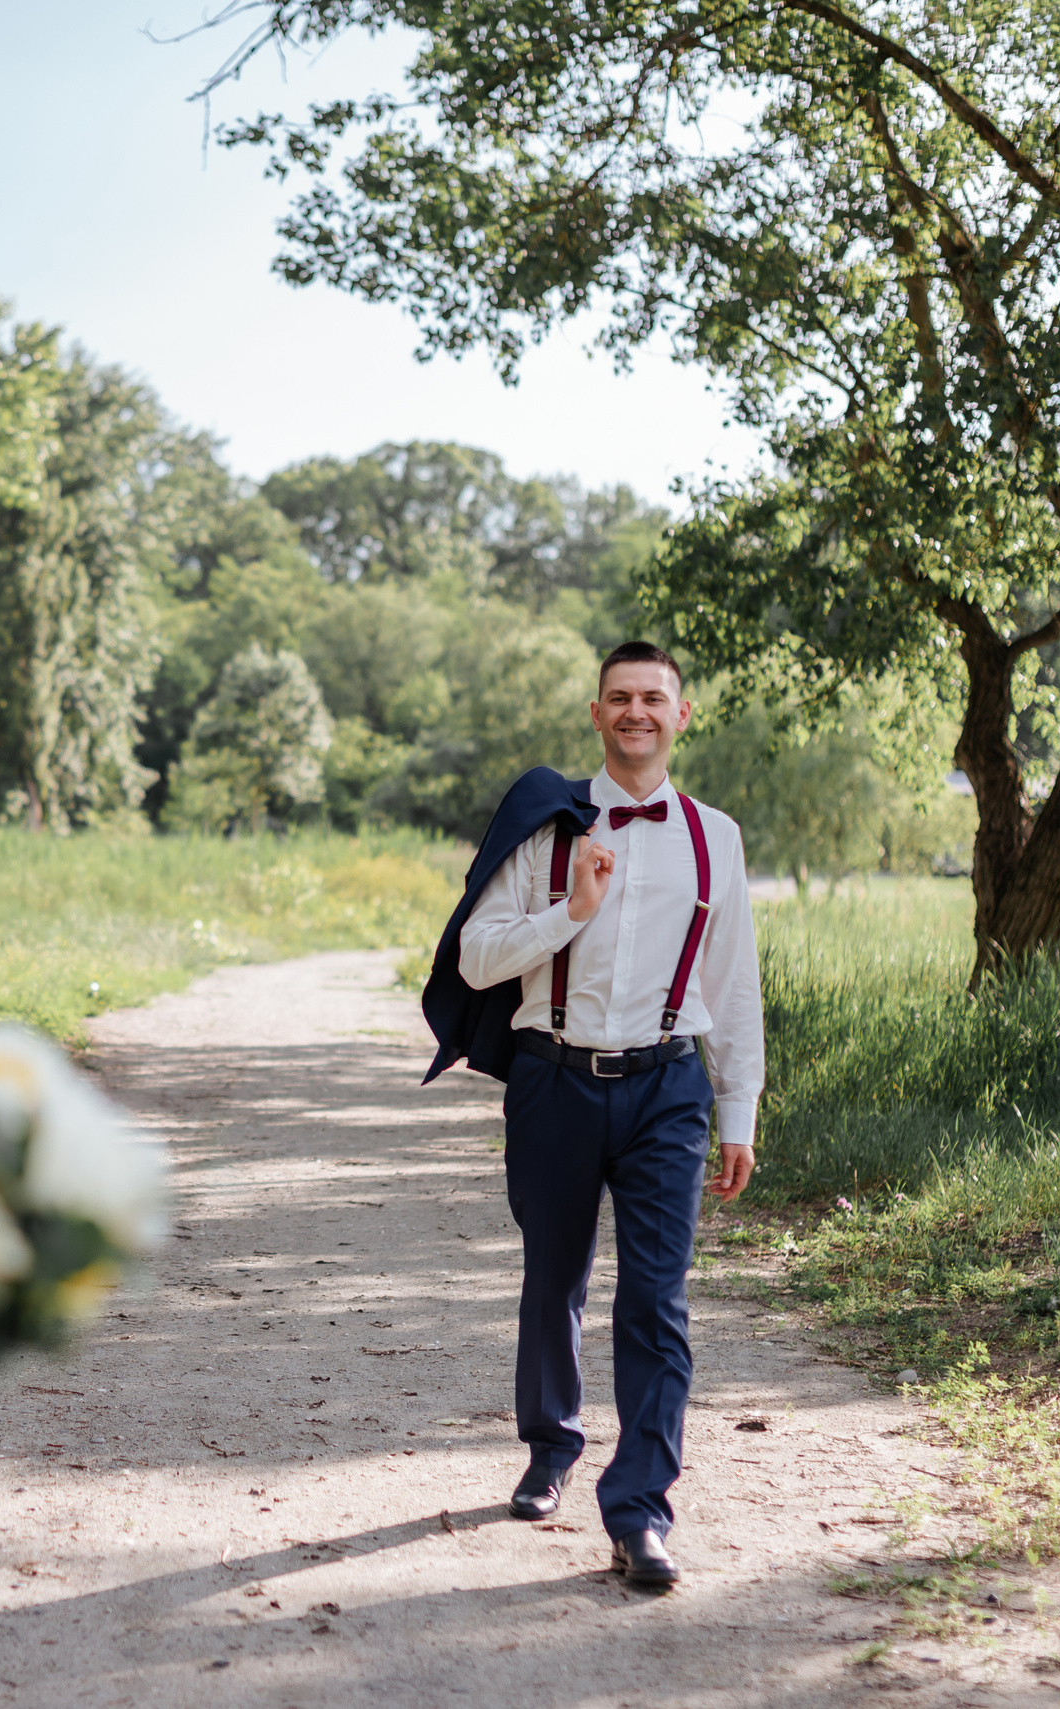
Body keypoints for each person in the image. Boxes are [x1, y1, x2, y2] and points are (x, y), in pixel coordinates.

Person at [418, 640, 763, 1589]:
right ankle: (550, 1443)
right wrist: (568, 912)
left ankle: (641, 1509)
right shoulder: (547, 824)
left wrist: (740, 1107)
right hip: (553, 1076)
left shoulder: (715, 837)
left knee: (657, 1298)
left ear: (681, 715)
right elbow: (476, 958)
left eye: (655, 698)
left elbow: (733, 984)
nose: (637, 712)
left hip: (667, 1086)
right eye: (621, 697)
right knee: (554, 1276)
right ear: (598, 712)